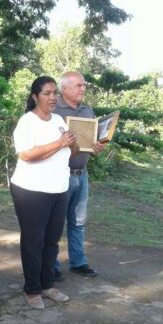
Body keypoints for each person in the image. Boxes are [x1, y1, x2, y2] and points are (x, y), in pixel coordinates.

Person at [10, 76, 78, 309]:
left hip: (58, 188)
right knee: (33, 241)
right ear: (35, 97)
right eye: (47, 93)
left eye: (54, 93)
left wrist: (72, 141)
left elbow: (72, 149)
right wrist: (60, 143)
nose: (52, 97)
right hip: (31, 190)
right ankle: (32, 290)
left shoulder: (59, 119)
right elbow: (26, 155)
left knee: (51, 240)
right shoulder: (27, 122)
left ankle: (48, 285)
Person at [54, 71, 104, 279]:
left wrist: (97, 145)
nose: (83, 89)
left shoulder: (87, 109)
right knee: (55, 223)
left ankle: (78, 262)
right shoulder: (53, 109)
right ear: (64, 88)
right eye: (78, 86)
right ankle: (52, 266)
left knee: (78, 221)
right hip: (59, 175)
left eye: (84, 85)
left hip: (81, 173)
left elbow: (89, 138)